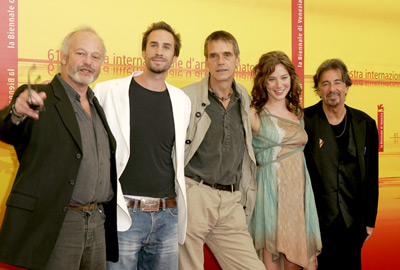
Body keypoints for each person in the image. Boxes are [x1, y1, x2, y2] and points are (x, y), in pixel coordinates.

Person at [0, 27, 118, 270]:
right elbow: (6, 131)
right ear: (63, 57)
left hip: (97, 221)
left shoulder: (97, 105)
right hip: (58, 222)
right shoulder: (38, 96)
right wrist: (15, 113)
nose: (88, 62)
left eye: (95, 57)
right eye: (81, 54)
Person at [93, 21, 191, 270]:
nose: (159, 51)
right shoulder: (108, 92)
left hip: (167, 214)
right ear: (143, 52)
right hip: (125, 214)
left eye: (166, 47)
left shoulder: (181, 100)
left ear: (175, 56)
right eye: (154, 45)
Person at [178, 30, 265, 270]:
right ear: (206, 61)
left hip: (231, 201)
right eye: (213, 55)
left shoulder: (244, 98)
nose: (220, 61)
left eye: (227, 54)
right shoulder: (187, 97)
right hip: (195, 193)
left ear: (238, 59)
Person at [248, 51, 322, 270]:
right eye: (271, 79)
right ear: (263, 82)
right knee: (271, 260)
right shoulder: (254, 114)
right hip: (270, 194)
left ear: (292, 79)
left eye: (283, 78)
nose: (279, 85)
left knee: (296, 261)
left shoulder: (297, 112)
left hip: (298, 196)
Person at [304, 59, 379, 270]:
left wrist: (370, 220)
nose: (332, 89)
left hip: (353, 223)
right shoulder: (304, 120)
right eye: (325, 84)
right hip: (316, 222)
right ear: (318, 90)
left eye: (337, 82)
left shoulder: (366, 124)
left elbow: (372, 176)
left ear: (346, 86)